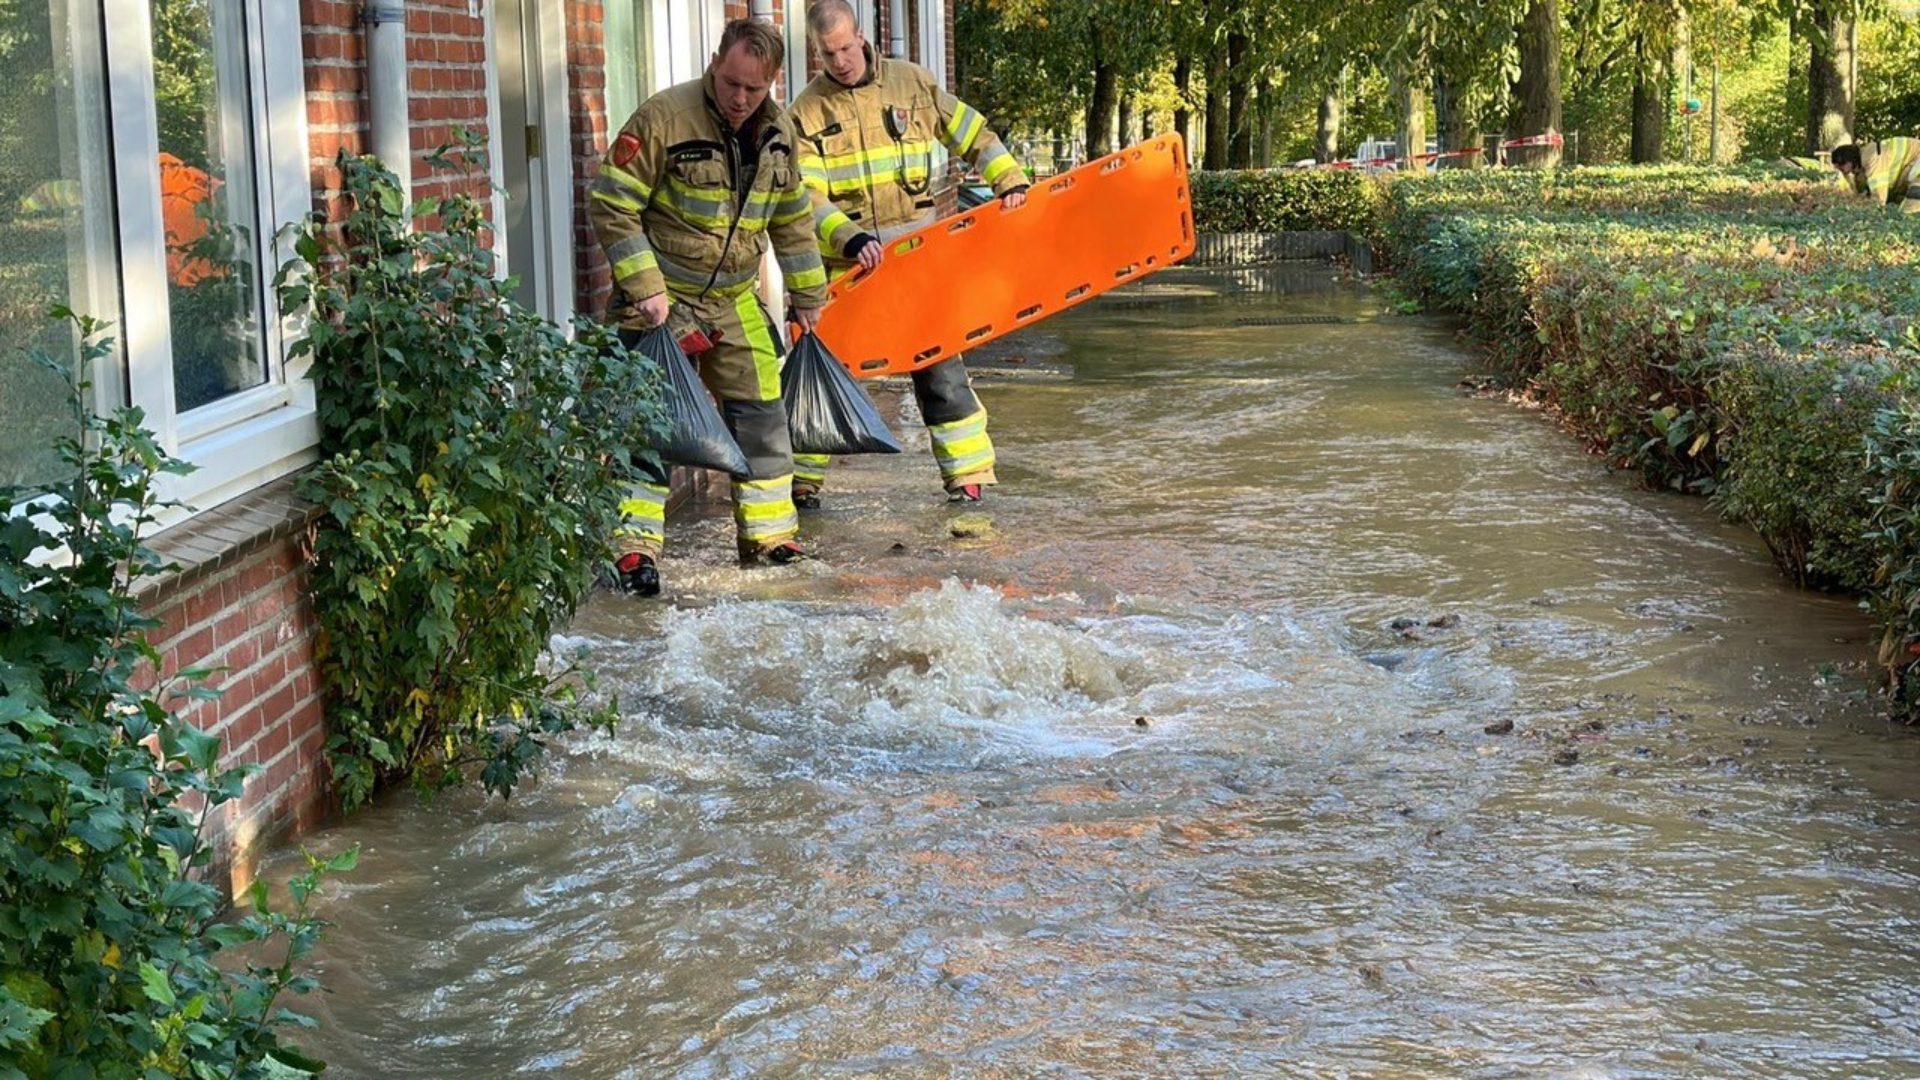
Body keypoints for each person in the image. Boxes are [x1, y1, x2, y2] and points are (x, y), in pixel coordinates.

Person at [589, 18, 830, 597]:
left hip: (733, 298)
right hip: (660, 298)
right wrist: (644, 284)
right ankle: (632, 552)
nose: (740, 99)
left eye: (754, 88)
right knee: (646, 422)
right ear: (714, 60)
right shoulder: (665, 118)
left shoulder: (778, 133)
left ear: (772, 82)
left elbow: (793, 219)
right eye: (730, 83)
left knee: (764, 413)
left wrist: (808, 296)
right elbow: (611, 202)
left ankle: (769, 540)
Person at [786, 0, 1029, 508]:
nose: (841, 62)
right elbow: (802, 196)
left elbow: (972, 132)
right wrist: (848, 237)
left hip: (918, 265)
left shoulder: (912, 84)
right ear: (816, 51)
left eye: (847, 49)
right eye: (829, 55)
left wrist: (1009, 180)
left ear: (862, 35)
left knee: (940, 373)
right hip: (850, 270)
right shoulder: (805, 114)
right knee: (826, 378)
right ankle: (801, 485)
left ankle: (968, 479)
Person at [1831, 139, 1920, 211]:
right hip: (1915, 165)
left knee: (1911, 208)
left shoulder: (1873, 158)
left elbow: (1879, 197)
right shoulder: (1869, 154)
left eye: (1842, 168)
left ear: (1848, 160)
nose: (1844, 172)